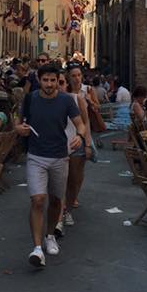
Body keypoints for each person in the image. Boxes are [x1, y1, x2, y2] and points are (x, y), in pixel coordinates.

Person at [15, 62, 86, 268]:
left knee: (56, 201)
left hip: (59, 156)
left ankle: (50, 235)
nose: (49, 84)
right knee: (38, 200)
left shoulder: (66, 101)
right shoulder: (30, 99)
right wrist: (20, 129)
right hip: (36, 156)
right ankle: (37, 248)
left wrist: (80, 136)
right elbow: (17, 123)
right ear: (39, 80)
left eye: (53, 80)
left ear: (57, 81)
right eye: (45, 80)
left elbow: (80, 123)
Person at [61, 65, 93, 226]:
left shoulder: (78, 98)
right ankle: (61, 209)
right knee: (60, 179)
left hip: (76, 142)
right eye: (73, 75)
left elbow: (86, 121)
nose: (76, 78)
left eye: (79, 75)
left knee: (74, 178)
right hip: (57, 145)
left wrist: (87, 143)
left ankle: (68, 205)